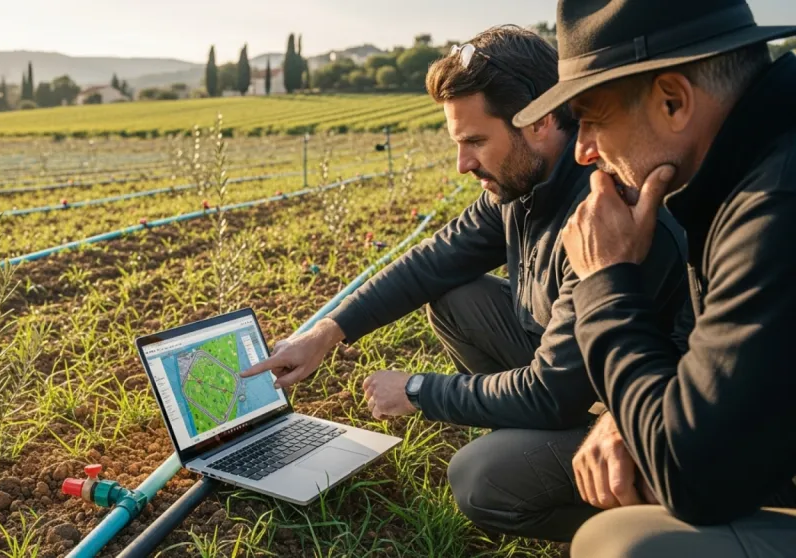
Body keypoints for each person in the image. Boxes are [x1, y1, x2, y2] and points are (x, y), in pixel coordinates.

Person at [242, 25, 688, 543]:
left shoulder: (602, 214)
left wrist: (417, 390)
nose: (463, 164)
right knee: (455, 296)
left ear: (541, 121)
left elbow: (552, 391)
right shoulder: (522, 184)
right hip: (578, 370)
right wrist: (325, 333)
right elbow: (433, 261)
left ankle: (642, 528)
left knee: (480, 477)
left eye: (476, 141)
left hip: (646, 409)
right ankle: (535, 441)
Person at [512, 0, 796, 555]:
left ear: (673, 100)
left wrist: (604, 280)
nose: (584, 149)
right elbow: (717, 363)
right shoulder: (741, 165)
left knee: (620, 545)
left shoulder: (775, 205)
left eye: (592, 116)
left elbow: (694, 476)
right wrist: (630, 415)